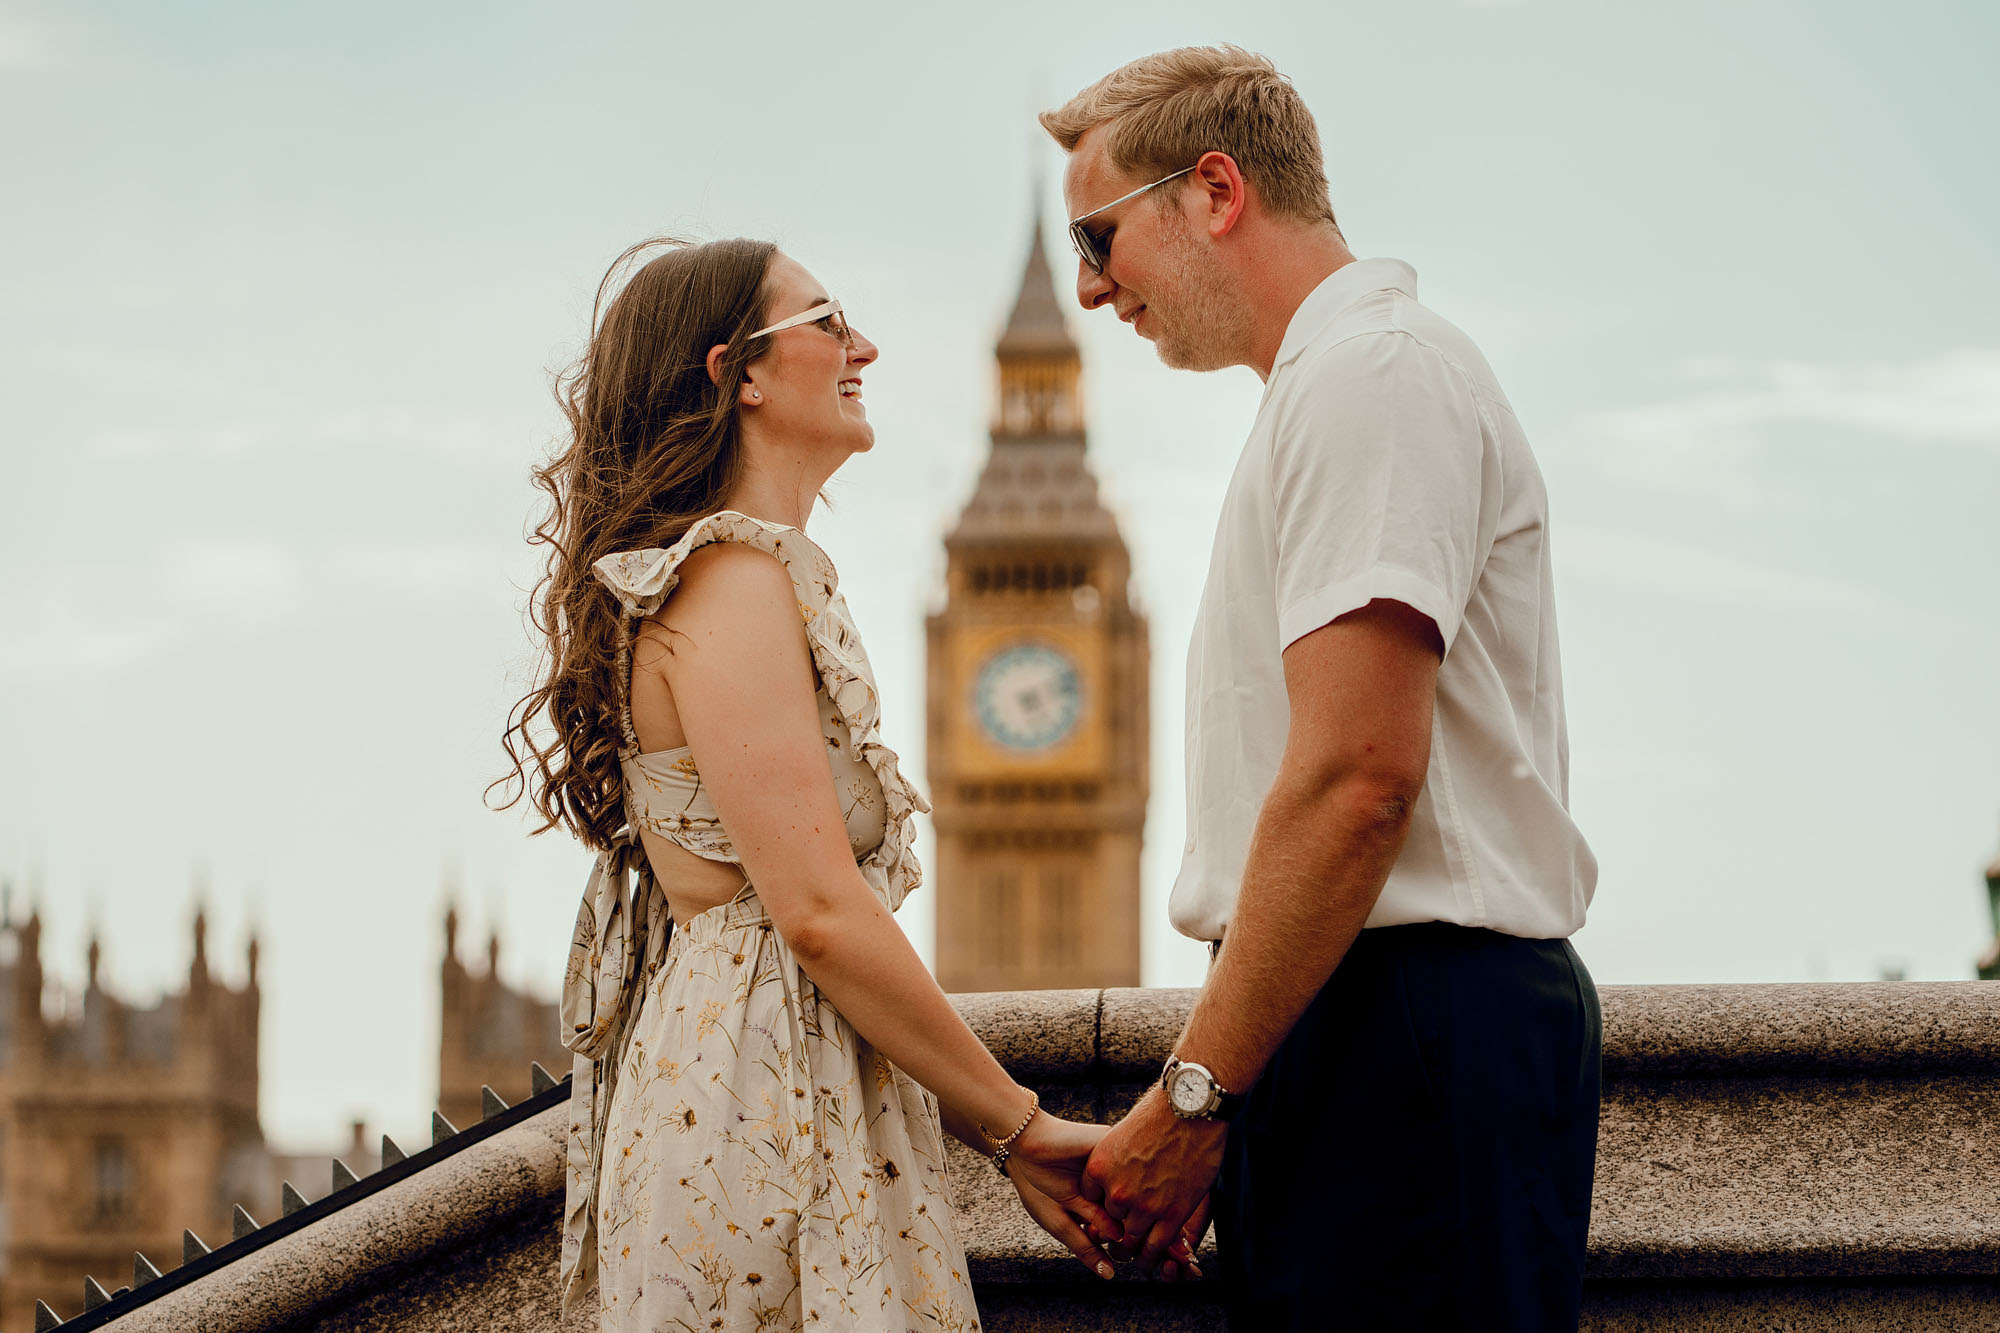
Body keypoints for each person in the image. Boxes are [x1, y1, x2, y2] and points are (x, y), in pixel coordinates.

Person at [495, 237, 1157, 1330]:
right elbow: (813, 912)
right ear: (736, 373)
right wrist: (1018, 1127)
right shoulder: (734, 577)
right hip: (766, 1099)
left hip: (747, 1074)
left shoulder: (700, 574)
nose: (864, 346)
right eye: (827, 321)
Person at [1040, 47, 1603, 1331]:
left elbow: (1357, 780)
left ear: (1216, 189)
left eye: (1099, 234)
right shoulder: (1332, 384)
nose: (1086, 286)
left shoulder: (1372, 376)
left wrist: (1195, 1097)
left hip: (1401, 1026)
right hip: (1350, 1021)